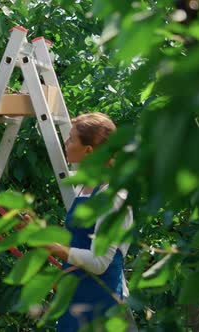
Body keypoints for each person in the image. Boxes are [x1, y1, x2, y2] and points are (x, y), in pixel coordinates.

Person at [45, 112, 134, 331]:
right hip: (77, 294)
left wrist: (55, 248)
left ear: (89, 151)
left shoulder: (112, 198)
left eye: (71, 139)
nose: (66, 143)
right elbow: (81, 238)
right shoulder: (84, 188)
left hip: (101, 301)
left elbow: (100, 262)